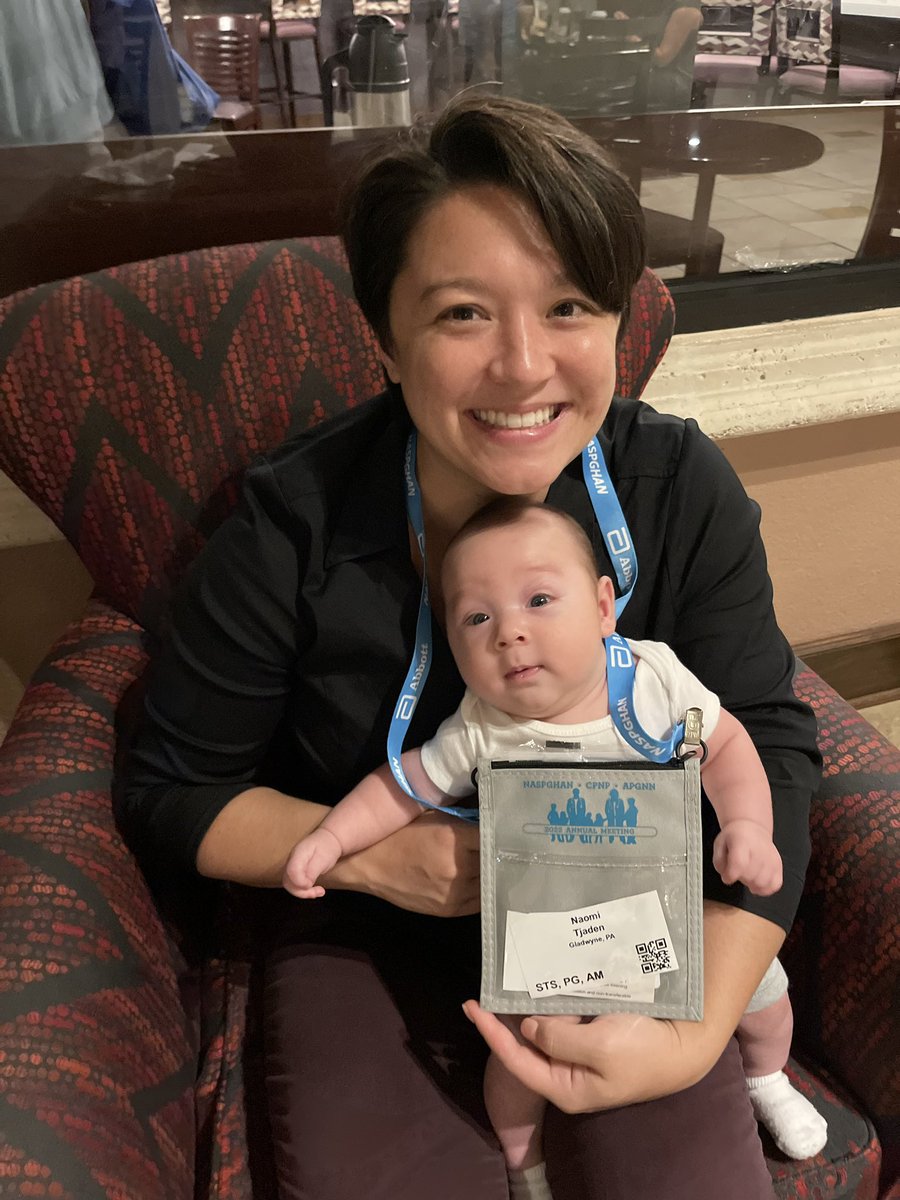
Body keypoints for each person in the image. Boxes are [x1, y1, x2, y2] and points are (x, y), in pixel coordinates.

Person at [116, 92, 822, 1200]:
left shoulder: (678, 489)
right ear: (384, 335)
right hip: (367, 923)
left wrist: (699, 1032)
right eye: (461, 315)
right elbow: (171, 788)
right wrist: (389, 860)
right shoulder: (294, 525)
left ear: (619, 325)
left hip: (627, 904)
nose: (525, 365)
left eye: (572, 305)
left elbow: (769, 739)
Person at [282, 499, 827, 1197]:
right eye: (477, 618)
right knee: (515, 1054)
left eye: (539, 599)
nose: (509, 632)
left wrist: (747, 827)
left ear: (604, 607)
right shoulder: (482, 726)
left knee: (761, 994)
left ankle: (766, 1077)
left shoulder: (652, 679)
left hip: (667, 909)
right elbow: (402, 783)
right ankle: (525, 1165)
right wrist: (331, 837)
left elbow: (725, 746)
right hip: (543, 936)